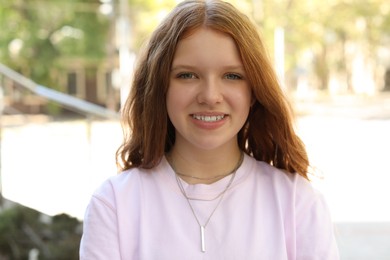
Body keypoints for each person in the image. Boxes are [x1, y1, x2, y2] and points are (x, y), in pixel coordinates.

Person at [80, 0, 339, 259]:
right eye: (187, 75)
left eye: (232, 76)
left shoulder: (297, 203)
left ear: (254, 91)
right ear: (160, 88)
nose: (210, 96)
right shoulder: (114, 204)